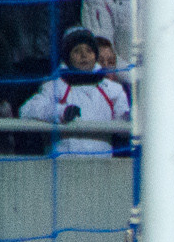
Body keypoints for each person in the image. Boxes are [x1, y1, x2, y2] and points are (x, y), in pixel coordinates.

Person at [18, 27, 131, 156]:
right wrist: (61, 112)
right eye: (77, 51)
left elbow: (123, 128)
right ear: (67, 57)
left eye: (89, 51)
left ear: (95, 55)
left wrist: (129, 117)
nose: (84, 55)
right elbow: (26, 110)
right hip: (63, 169)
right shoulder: (54, 86)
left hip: (100, 169)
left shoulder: (112, 89)